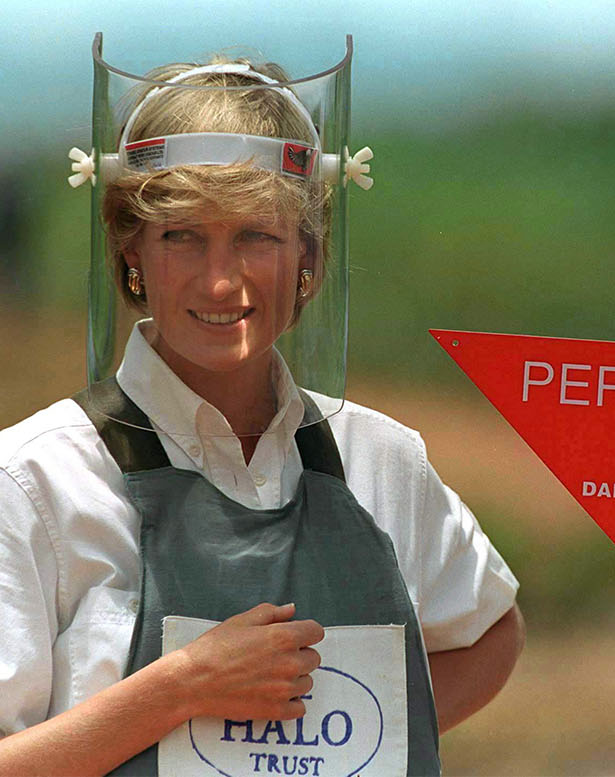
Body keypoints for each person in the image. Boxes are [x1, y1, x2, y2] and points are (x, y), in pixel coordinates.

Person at [0, 39, 522, 775]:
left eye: (256, 236)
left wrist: (355, 741)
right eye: (182, 237)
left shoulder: (382, 459)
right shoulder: (33, 481)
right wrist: (183, 687)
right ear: (129, 254)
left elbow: (490, 630)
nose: (221, 282)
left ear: (308, 257)